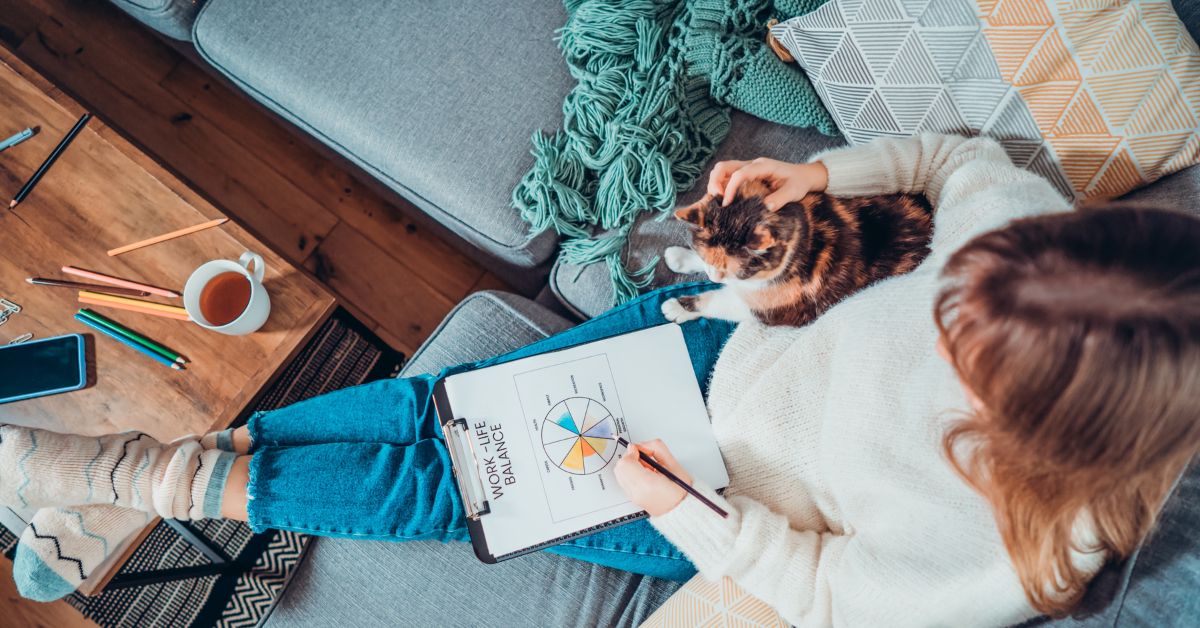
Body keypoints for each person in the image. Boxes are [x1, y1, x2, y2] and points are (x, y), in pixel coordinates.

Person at [3, 134, 1198, 626]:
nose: (941, 307)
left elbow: (830, 593)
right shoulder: (1024, 238)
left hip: (708, 490)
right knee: (444, 407)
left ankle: (136, 478)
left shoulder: (1017, 547)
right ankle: (122, 488)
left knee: (446, 491)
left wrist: (686, 510)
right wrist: (810, 178)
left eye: (960, 349)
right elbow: (955, 159)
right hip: (704, 333)